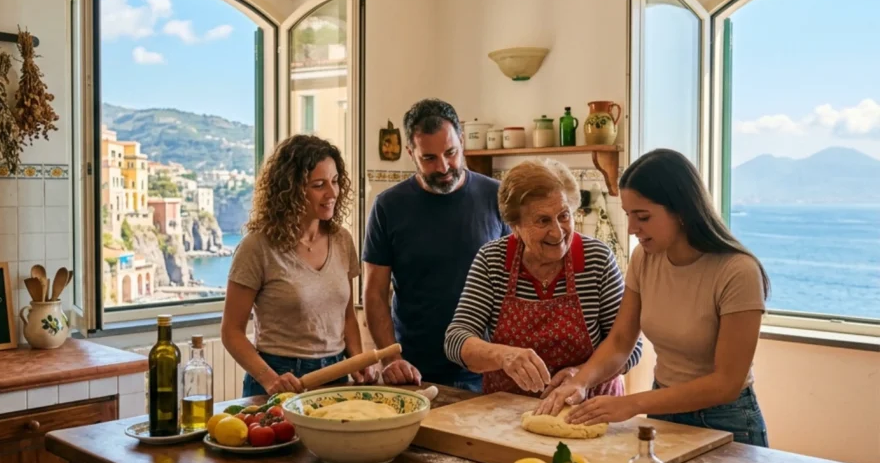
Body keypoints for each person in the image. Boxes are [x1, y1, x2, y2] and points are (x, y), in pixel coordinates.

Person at [537, 149, 771, 446]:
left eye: (643, 217)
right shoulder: (645, 259)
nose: (633, 229)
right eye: (628, 216)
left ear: (682, 211)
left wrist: (633, 404)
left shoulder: (738, 272)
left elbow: (726, 384)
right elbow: (621, 340)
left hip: (726, 420)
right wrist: (580, 382)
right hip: (664, 413)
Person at [445, 160, 643, 396]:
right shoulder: (493, 260)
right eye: (543, 220)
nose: (558, 232)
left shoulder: (596, 259)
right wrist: (504, 355)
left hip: (590, 406)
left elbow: (630, 348)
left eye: (563, 216)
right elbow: (456, 339)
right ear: (515, 225)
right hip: (508, 413)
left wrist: (580, 375)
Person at [363, 98, 509, 391]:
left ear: (462, 141)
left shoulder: (496, 197)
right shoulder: (388, 206)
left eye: (451, 152)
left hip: (487, 367)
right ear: (411, 153)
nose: (443, 166)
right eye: (429, 158)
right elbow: (375, 293)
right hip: (414, 371)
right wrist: (390, 359)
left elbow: (516, 281)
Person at [221, 134, 374, 397]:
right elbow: (231, 331)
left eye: (335, 181)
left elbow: (347, 317)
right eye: (318, 185)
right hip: (281, 375)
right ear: (291, 189)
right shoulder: (257, 248)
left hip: (337, 375)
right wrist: (270, 378)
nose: (332, 193)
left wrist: (357, 361)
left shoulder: (342, 240)